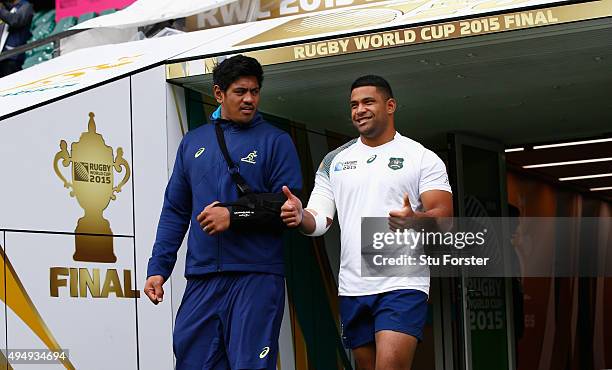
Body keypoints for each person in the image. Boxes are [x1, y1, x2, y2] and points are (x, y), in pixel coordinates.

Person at [281, 75, 453, 370]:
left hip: (403, 282)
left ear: (390, 105)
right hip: (353, 286)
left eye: (368, 102)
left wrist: (415, 220)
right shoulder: (333, 161)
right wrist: (301, 217)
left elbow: (444, 217)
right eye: (354, 105)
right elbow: (320, 220)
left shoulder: (421, 157)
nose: (359, 110)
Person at [144, 55, 302, 370]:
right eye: (240, 91)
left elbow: (286, 204)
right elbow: (175, 210)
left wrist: (234, 214)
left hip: (255, 276)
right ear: (219, 94)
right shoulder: (193, 142)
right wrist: (158, 268)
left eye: (254, 92)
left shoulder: (276, 140)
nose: (249, 99)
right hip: (203, 277)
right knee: (192, 362)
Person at [0, 0, 33, 77]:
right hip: (3, 56)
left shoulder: (26, 6)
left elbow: (16, 20)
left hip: (13, 57)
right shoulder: (10, 8)